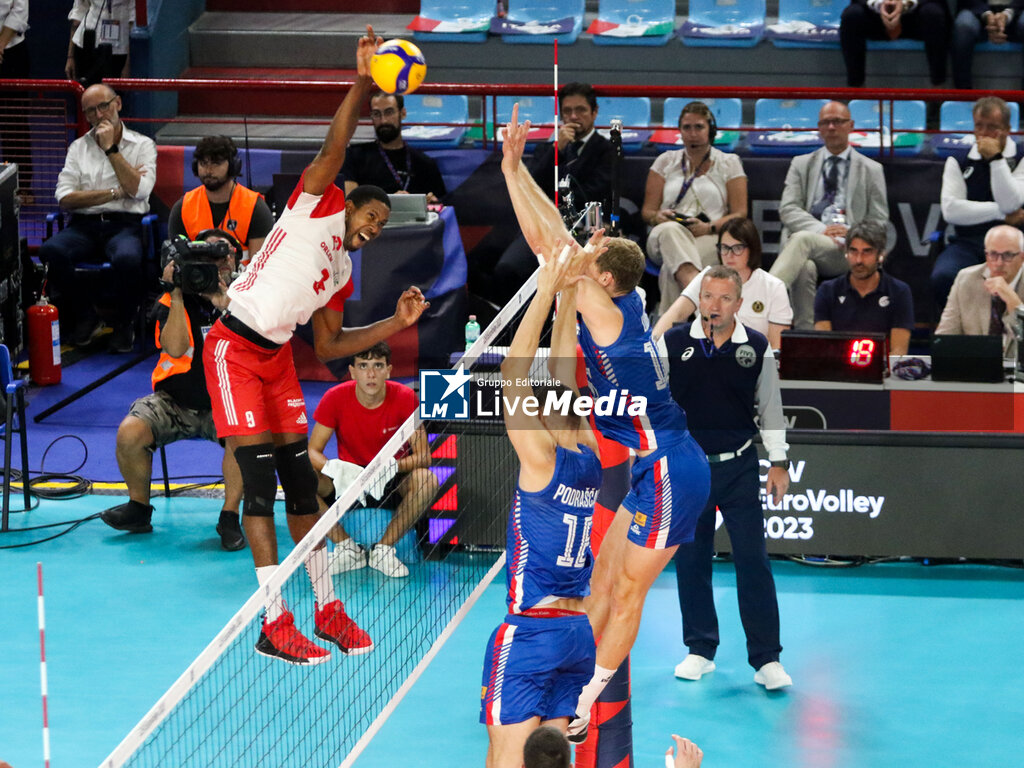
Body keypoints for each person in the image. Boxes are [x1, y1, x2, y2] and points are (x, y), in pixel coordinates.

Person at [201, 25, 429, 665]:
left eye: (381, 229)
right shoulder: (317, 202)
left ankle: (327, 608)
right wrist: (363, 79)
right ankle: (275, 620)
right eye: (370, 219)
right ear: (349, 203)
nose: (372, 231)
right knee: (259, 486)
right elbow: (336, 142)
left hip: (275, 362)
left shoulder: (343, 271)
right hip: (232, 349)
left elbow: (329, 348)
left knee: (303, 485)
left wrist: (396, 323)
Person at [500, 104, 711, 743]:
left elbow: (548, 248)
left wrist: (512, 168)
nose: (577, 266)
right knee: (600, 579)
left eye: (588, 265)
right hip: (654, 466)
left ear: (607, 279)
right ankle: (572, 676)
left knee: (626, 594)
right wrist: (519, 173)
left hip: (671, 467)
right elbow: (560, 242)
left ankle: (587, 698)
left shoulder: (613, 314)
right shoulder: (617, 304)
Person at [480, 242, 602, 768]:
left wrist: (546, 289)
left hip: (531, 631)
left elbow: (513, 371)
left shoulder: (541, 460)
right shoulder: (589, 456)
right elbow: (561, 373)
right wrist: (570, 298)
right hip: (577, 638)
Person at [664, 265, 793, 692]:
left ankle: (767, 658)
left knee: (753, 559)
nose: (713, 306)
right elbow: (655, 403)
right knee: (691, 560)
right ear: (698, 299)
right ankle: (700, 649)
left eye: (723, 299)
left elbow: (770, 408)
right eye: (707, 297)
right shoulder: (673, 342)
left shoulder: (757, 347)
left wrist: (779, 462)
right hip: (687, 468)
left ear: (739, 304)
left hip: (738, 466)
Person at [99, 229, 245, 551]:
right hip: (174, 403)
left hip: (227, 403)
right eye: (202, 258)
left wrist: (225, 304)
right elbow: (176, 349)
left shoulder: (249, 296)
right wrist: (177, 293)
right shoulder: (171, 298)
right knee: (130, 432)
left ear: (234, 259)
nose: (212, 266)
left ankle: (230, 517)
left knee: (245, 437)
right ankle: (139, 509)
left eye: (219, 258)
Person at [39, 82, 157, 352]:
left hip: (125, 225)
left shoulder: (143, 145)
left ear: (118, 104)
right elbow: (65, 198)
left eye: (103, 106)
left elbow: (140, 191)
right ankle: (86, 315)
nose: (98, 115)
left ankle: (125, 323)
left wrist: (110, 150)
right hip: (84, 225)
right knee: (50, 250)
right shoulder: (78, 148)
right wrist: (117, 192)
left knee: (128, 258)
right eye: (90, 111)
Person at [307, 341, 438, 578]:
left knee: (426, 480)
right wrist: (333, 468)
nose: (371, 373)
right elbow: (312, 451)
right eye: (363, 365)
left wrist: (391, 467)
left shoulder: (406, 397)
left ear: (389, 370)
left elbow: (424, 457)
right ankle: (347, 548)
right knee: (301, 479)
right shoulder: (334, 397)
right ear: (352, 370)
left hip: (392, 482)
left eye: (378, 365)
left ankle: (383, 550)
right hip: (348, 483)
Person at [482, 82, 614, 307]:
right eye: (567, 111)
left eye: (581, 110)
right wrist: (557, 149)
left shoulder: (607, 149)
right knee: (507, 269)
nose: (574, 116)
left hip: (584, 229)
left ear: (594, 112)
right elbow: (530, 184)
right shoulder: (550, 148)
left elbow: (596, 191)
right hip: (542, 225)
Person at [769, 101, 889, 330]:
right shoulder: (801, 164)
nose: (832, 127)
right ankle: (807, 336)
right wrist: (820, 230)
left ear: (851, 125)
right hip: (814, 238)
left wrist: (853, 233)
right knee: (804, 267)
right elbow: (788, 208)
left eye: (838, 122)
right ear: (819, 128)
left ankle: (762, 297)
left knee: (801, 239)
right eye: (826, 123)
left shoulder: (871, 169)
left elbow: (879, 220)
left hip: (848, 249)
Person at [642, 100, 747, 317]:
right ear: (680, 131)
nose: (692, 133)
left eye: (699, 127)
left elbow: (740, 213)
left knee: (670, 271)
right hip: (665, 233)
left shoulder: (729, 162)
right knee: (671, 232)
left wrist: (709, 227)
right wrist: (659, 217)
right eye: (687, 128)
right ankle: (707, 313)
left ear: (711, 130)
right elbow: (647, 212)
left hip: (709, 234)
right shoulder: (665, 161)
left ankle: (665, 335)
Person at [932, 96, 1024, 314]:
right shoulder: (958, 159)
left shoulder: (1021, 157)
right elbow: (951, 210)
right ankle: (963, 334)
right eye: (979, 126)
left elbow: (1011, 200)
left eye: (992, 127)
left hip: (1015, 246)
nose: (984, 133)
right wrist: (1002, 214)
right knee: (942, 276)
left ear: (1007, 129)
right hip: (969, 242)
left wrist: (996, 160)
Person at [653, 217, 792, 349]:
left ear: (752, 249)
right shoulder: (707, 277)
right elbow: (676, 314)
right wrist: (651, 347)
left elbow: (776, 346)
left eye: (737, 248)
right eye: (724, 248)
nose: (729, 255)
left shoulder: (773, 287)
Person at [168, 135, 274, 265]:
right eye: (203, 163)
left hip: (241, 282)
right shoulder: (183, 207)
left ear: (233, 166)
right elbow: (175, 261)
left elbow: (261, 267)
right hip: (197, 282)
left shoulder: (255, 207)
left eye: (216, 163)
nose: (208, 170)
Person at [814, 220, 914, 355]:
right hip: (837, 371)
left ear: (880, 255)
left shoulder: (899, 292)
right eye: (853, 251)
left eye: (867, 252)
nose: (858, 260)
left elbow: (898, 352)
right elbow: (823, 348)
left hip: (883, 373)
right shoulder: (827, 291)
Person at [341, 90, 447, 203]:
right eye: (376, 114)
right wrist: (392, 201)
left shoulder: (425, 163)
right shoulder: (355, 156)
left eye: (389, 112)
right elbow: (350, 202)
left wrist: (433, 202)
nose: (383, 120)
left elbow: (440, 204)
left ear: (403, 113)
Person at [937, 223, 1024, 358]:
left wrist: (1012, 300)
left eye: (1007, 255)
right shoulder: (966, 279)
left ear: (1022, 257)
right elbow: (945, 338)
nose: (999, 263)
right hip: (976, 370)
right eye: (993, 254)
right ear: (985, 254)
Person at [839, 0, 950, 87]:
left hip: (915, 14)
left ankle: (938, 89)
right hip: (875, 15)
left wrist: (905, 4)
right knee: (851, 16)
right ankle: (856, 90)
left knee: (933, 13)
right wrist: (879, 4)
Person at [952, 0, 1024, 90]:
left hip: (1018, 10)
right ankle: (963, 94)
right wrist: (987, 14)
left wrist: (1007, 13)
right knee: (963, 27)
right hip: (977, 10)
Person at [0, 0, 32, 198]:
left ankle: (21, 185)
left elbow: (20, 11)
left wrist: (0, 45)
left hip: (12, 52)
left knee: (14, 122)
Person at [65, 0, 134, 88]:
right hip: (85, 44)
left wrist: (126, 63)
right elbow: (78, 15)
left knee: (111, 95)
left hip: (118, 49)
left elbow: (132, 18)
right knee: (85, 94)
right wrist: (70, 57)